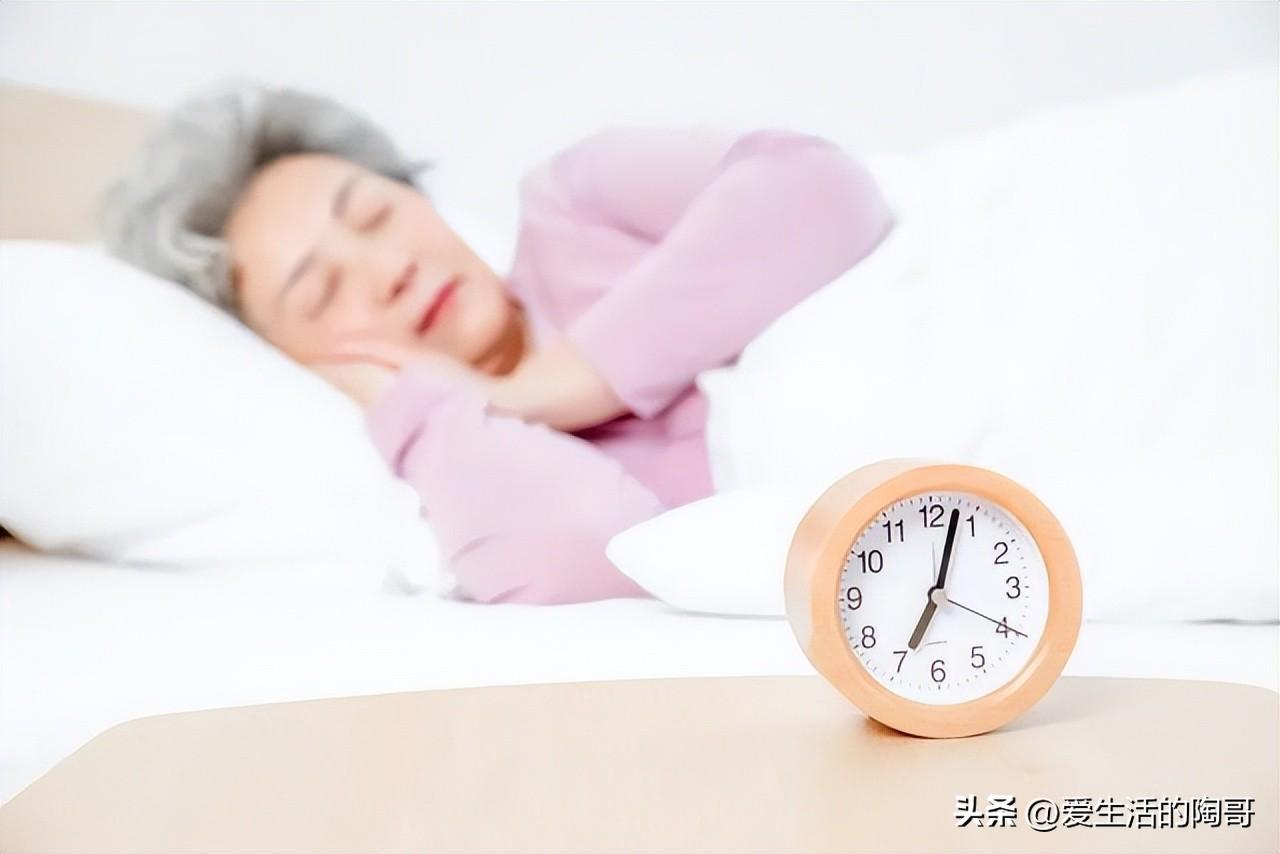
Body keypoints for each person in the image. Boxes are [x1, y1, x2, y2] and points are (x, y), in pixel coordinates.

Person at [102, 83, 892, 605]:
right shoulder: (447, 467)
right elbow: (595, 551)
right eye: (321, 293)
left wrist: (549, 388)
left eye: (376, 214)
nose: (388, 271)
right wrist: (406, 400)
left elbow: (821, 187)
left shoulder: (577, 202)